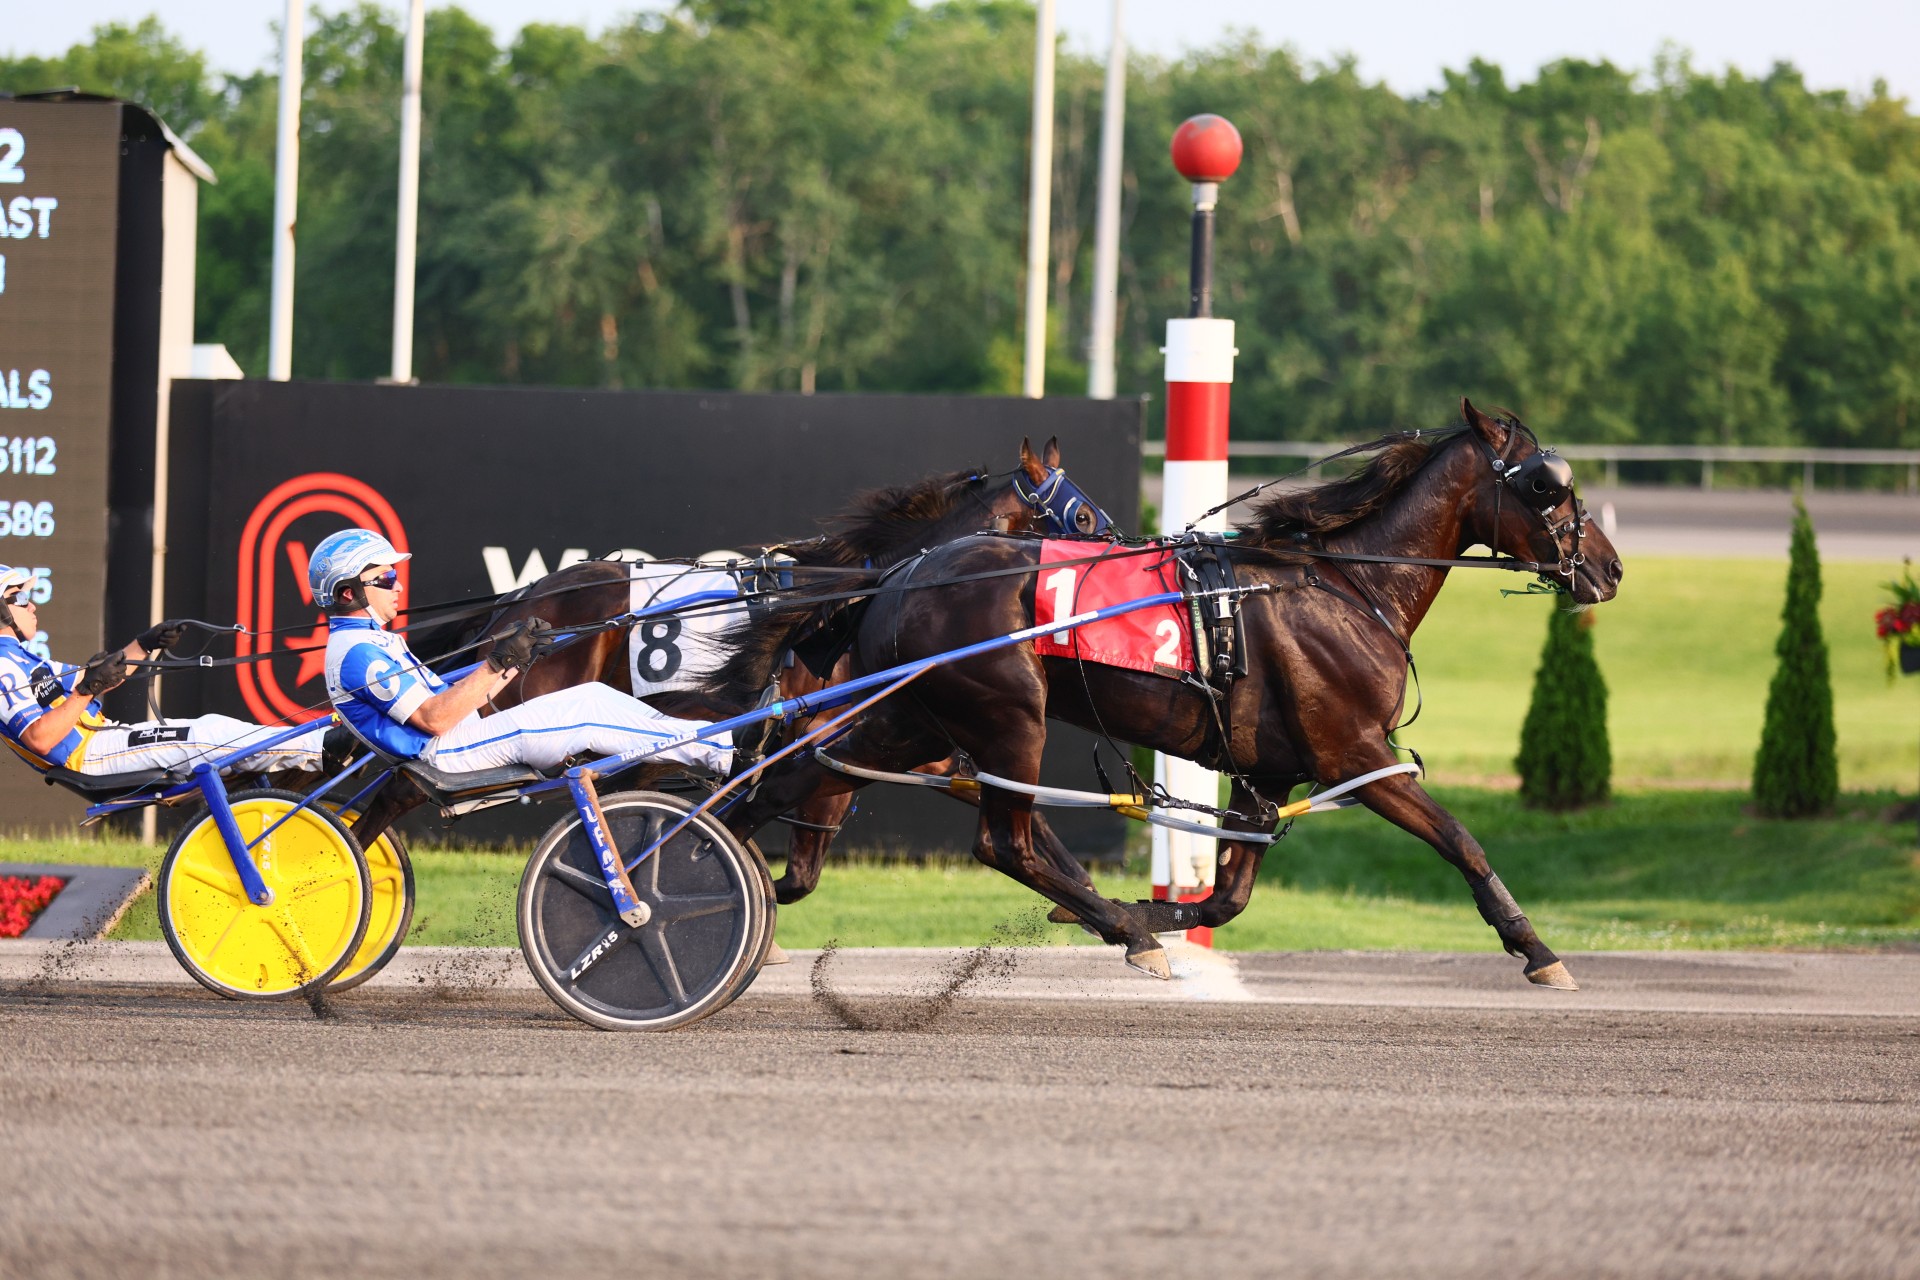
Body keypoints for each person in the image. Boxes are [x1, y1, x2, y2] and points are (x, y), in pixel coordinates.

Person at [312, 529, 739, 775]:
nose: (398, 585)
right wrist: (499, 662)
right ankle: (724, 751)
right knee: (586, 719)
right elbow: (435, 718)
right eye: (384, 579)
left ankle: (702, 737)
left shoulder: (368, 640)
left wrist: (514, 661)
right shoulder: (358, 653)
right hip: (445, 750)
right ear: (349, 592)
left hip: (458, 735)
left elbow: (440, 693)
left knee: (592, 697)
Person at [0, 564, 328, 776]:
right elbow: (39, 739)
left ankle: (317, 746)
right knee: (206, 737)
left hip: (104, 740)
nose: (32, 605)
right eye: (19, 598)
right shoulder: (3, 667)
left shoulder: (21, 657)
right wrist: (86, 691)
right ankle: (323, 748)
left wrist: (144, 643)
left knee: (211, 729)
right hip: (90, 756)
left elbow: (98, 678)